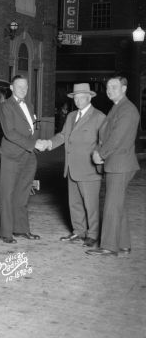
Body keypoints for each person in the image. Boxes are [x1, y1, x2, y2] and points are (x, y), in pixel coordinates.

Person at [44, 83, 105, 248]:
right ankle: (79, 231)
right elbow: (63, 135)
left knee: (91, 205)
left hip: (89, 170)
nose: (78, 100)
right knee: (75, 203)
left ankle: (92, 235)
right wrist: (49, 142)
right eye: (75, 97)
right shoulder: (71, 116)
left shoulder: (99, 117)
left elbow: (104, 142)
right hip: (71, 168)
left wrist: (99, 156)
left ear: (89, 97)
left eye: (81, 97)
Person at [87, 75, 140, 257]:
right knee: (118, 204)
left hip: (119, 164)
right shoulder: (118, 107)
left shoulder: (127, 110)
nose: (110, 90)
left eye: (114, 87)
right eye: (108, 87)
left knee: (111, 205)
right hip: (118, 163)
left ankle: (109, 247)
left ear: (124, 89)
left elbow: (116, 138)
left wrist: (100, 154)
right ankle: (123, 244)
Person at [0, 75, 45, 244]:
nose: (23, 89)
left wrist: (38, 139)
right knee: (7, 194)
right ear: (11, 87)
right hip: (11, 157)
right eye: (19, 86)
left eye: (25, 86)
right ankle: (6, 233)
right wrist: (33, 144)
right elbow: (10, 133)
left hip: (29, 157)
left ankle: (22, 229)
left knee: (23, 194)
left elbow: (36, 124)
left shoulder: (30, 105)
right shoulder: (5, 107)